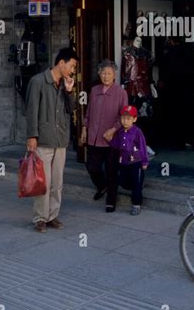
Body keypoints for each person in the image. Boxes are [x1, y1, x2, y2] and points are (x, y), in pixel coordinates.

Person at [25, 47, 78, 233]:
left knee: (57, 182)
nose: (72, 70)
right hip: (44, 140)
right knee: (43, 182)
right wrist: (32, 135)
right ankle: (40, 218)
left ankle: (52, 216)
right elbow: (31, 110)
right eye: (71, 66)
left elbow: (71, 110)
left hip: (60, 139)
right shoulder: (38, 81)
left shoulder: (65, 84)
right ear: (61, 63)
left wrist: (70, 91)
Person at [80, 59, 128, 202]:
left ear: (114, 75)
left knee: (111, 171)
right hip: (94, 137)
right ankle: (102, 186)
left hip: (111, 139)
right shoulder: (94, 91)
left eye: (109, 73)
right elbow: (88, 112)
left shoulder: (121, 93)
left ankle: (111, 201)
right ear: (99, 74)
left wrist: (113, 129)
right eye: (103, 73)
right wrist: (84, 128)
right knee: (91, 167)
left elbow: (124, 115)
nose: (106, 76)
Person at [107, 105, 148, 215]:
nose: (125, 121)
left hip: (136, 162)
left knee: (136, 184)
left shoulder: (137, 132)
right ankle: (138, 184)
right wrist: (108, 140)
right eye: (123, 118)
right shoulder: (120, 132)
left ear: (134, 119)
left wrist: (144, 161)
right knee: (123, 182)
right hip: (123, 162)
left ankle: (136, 204)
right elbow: (115, 144)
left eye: (128, 119)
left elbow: (142, 146)